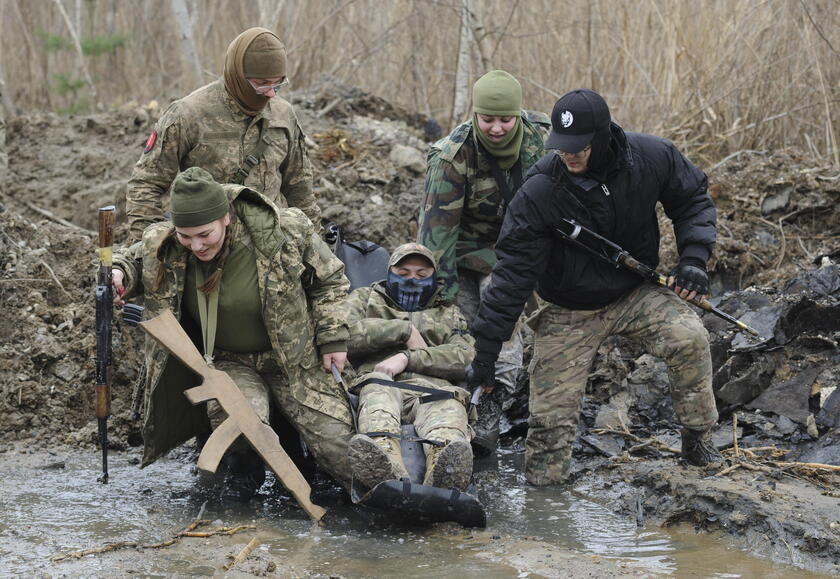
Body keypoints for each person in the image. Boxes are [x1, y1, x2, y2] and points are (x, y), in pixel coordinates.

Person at [467, 88, 723, 486]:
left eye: (579, 148)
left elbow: (692, 200)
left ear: (602, 137)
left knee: (689, 338)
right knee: (549, 430)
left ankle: (699, 440)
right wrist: (486, 352)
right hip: (568, 309)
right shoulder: (539, 192)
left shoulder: (652, 157)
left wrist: (693, 261)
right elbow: (511, 277)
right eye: (561, 146)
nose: (568, 156)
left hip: (635, 292)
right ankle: (546, 509)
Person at [113, 167, 353, 500]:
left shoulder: (285, 231)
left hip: (296, 362)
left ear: (225, 218)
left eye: (205, 235)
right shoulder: (168, 244)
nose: (196, 245)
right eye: (186, 235)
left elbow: (330, 281)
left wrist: (333, 338)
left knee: (340, 448)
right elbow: (135, 259)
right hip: (229, 361)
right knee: (241, 424)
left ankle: (377, 490)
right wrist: (118, 272)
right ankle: (241, 482)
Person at [417, 70, 550, 456]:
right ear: (473, 115)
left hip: (516, 249)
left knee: (501, 318)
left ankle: (492, 405)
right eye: (486, 119)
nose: (495, 128)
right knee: (459, 325)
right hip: (460, 248)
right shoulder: (452, 156)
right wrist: (438, 298)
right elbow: (436, 236)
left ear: (519, 115)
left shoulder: (543, 141)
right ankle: (453, 407)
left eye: (505, 119)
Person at [125, 27, 319, 243]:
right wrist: (151, 250)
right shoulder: (188, 115)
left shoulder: (283, 114)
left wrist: (313, 246)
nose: (271, 93)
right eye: (262, 84)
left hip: (275, 251)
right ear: (238, 76)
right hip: (211, 251)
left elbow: (300, 187)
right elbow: (146, 185)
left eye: (278, 83)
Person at [344, 243, 475, 491]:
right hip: (379, 382)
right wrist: (401, 330)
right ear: (389, 272)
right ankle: (385, 470)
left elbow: (466, 355)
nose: (412, 280)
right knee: (377, 404)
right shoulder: (364, 299)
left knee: (448, 411)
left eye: (421, 274)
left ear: (433, 278)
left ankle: (445, 472)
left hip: (433, 388)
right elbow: (340, 335)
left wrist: (408, 358)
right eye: (403, 273)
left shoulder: (448, 312)